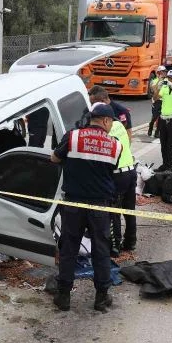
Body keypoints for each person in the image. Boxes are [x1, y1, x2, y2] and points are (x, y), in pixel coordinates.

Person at [51, 102, 122, 312]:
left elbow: (54, 158)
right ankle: (101, 298)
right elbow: (112, 167)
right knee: (101, 250)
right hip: (100, 205)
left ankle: (63, 296)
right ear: (106, 121)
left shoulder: (72, 137)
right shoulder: (115, 144)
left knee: (69, 248)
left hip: (73, 203)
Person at [88, 87, 136, 255]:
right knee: (129, 210)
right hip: (130, 170)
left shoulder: (102, 131)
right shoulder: (119, 125)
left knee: (113, 211)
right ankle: (131, 242)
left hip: (117, 175)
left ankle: (114, 246)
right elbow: (128, 141)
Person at [147, 65, 167, 138]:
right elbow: (154, 90)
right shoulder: (154, 81)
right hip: (156, 101)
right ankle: (151, 126)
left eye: (164, 72)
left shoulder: (166, 81)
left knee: (161, 117)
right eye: (162, 72)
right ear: (158, 73)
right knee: (155, 117)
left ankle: (157, 132)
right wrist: (159, 81)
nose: (164, 74)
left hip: (163, 101)